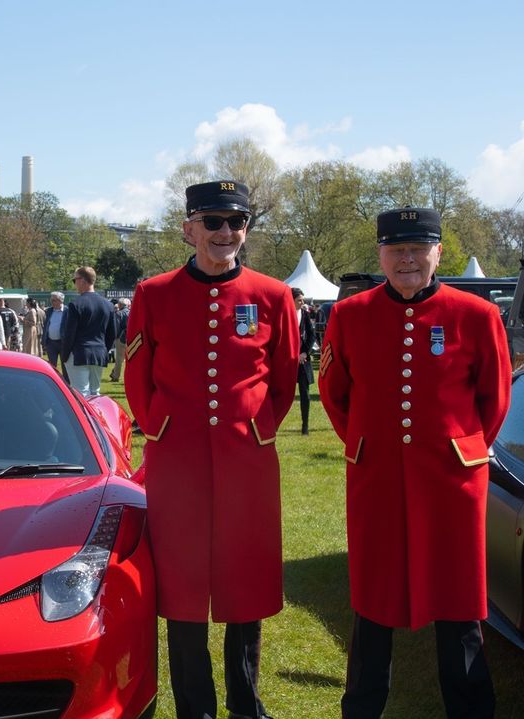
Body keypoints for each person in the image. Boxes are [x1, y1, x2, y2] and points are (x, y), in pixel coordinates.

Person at [319, 208, 511, 719]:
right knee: (373, 600)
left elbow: (494, 399)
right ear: (380, 253)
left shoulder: (476, 315)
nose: (406, 259)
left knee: (460, 602)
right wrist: (369, 441)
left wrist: (461, 448)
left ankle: (470, 709)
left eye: (417, 249)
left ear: (437, 254)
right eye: (395, 249)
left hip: (452, 482)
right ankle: (362, 708)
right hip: (376, 476)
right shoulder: (350, 314)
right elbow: (335, 394)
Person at [124, 181, 299, 719]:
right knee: (182, 583)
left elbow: (286, 373)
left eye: (237, 222)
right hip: (177, 460)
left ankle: (247, 705)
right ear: (189, 229)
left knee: (245, 578)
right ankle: (194, 708)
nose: (226, 232)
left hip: (246, 457)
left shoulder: (272, 295)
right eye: (214, 221)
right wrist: (162, 427)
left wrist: (260, 426)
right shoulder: (154, 293)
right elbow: (137, 372)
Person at [61, 267, 116, 397]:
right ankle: (93, 418)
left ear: (83, 281)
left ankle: (84, 418)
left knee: (81, 394)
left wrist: (64, 356)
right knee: (95, 393)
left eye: (75, 280)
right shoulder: (108, 305)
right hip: (99, 353)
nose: (75, 284)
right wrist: (103, 349)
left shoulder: (76, 304)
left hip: (79, 353)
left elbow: (69, 334)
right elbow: (112, 333)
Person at [293, 287, 316, 435]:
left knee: (305, 394)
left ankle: (305, 427)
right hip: (287, 361)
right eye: (299, 300)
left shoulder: (306, 315)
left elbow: (312, 336)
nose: (302, 303)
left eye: (303, 300)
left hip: (303, 360)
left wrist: (304, 353)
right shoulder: (284, 313)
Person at [43, 291, 68, 381]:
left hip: (63, 343)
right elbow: (45, 326)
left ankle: (66, 383)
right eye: (52, 300)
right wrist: (44, 341)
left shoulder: (67, 311)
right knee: (52, 366)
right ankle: (54, 382)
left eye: (54, 300)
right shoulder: (49, 311)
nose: (52, 302)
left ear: (61, 301)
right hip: (51, 343)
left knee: (65, 365)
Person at [109, 297, 131, 382]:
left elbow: (116, 327)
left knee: (119, 358)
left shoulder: (118, 313)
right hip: (130, 338)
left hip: (120, 338)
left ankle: (115, 376)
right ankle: (130, 376)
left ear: (120, 305)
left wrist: (115, 337)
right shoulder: (131, 312)